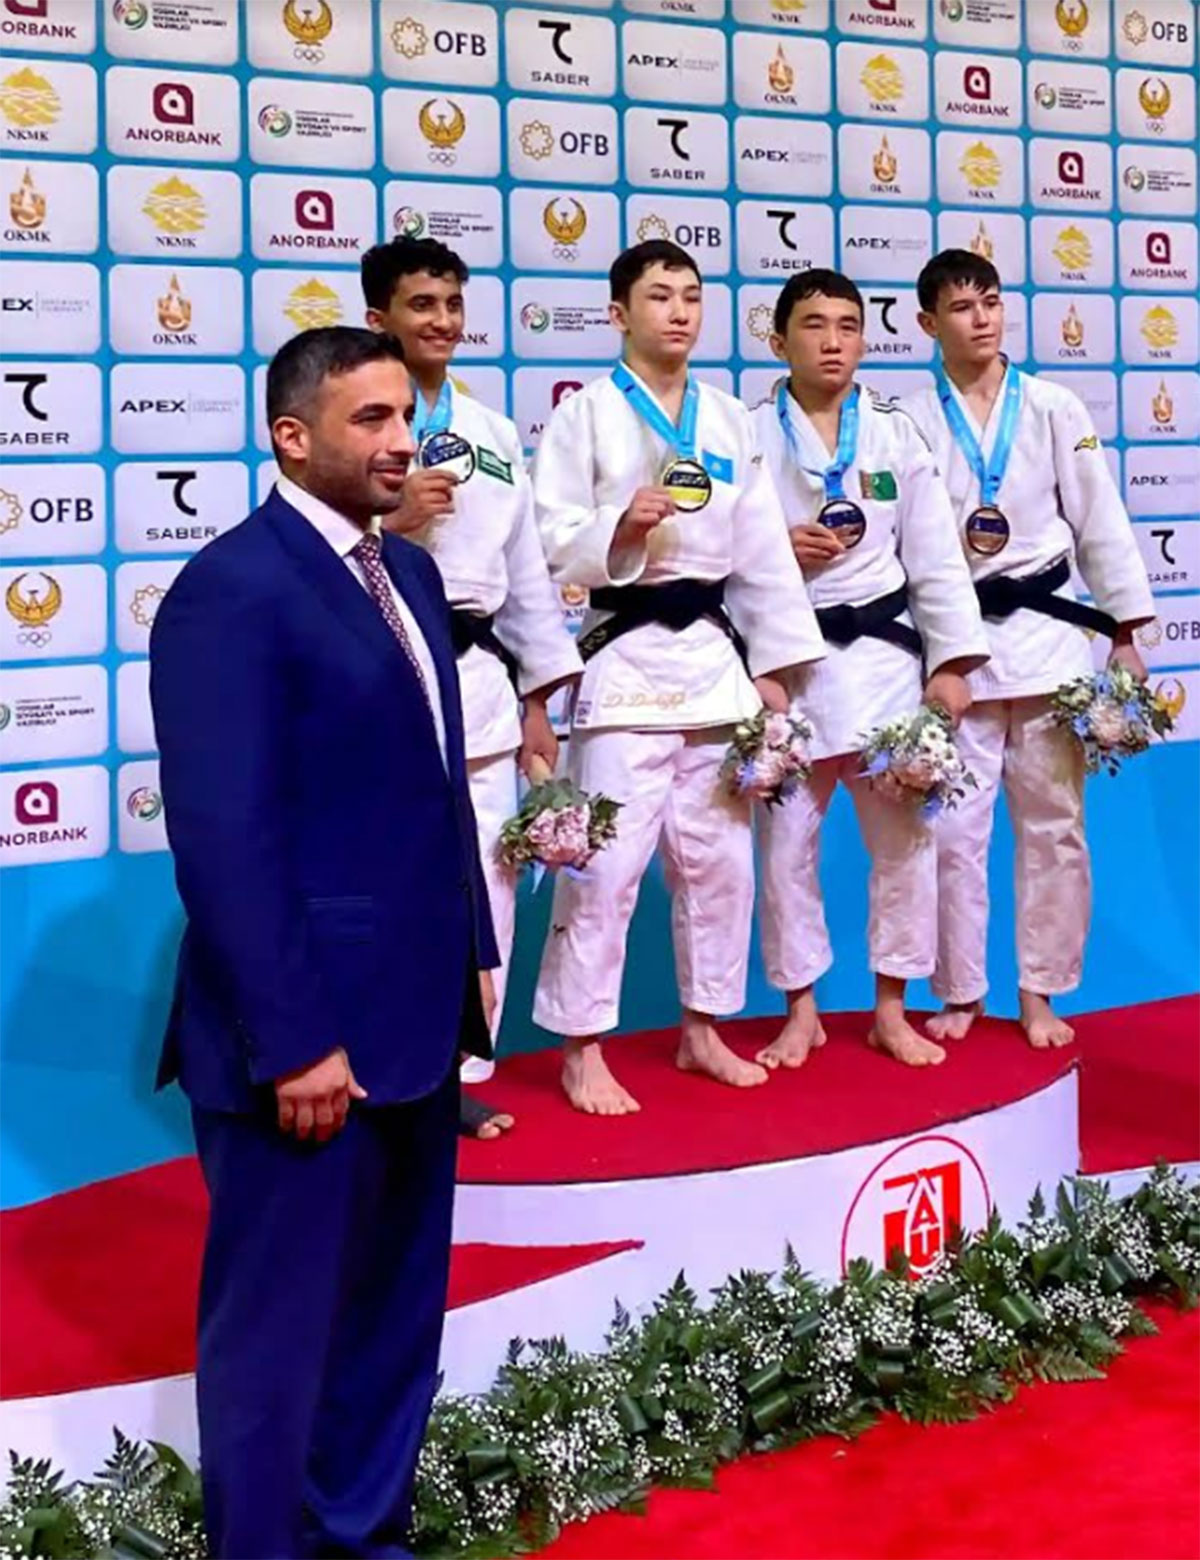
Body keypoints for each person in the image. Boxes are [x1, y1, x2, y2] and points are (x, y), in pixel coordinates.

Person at [150, 327, 499, 1560]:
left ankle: (363, 1538)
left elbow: (437, 793)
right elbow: (225, 838)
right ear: (292, 437)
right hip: (301, 1048)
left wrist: (470, 969)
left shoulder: (409, 578)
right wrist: (295, 1041)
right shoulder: (231, 591)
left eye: (408, 415)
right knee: (278, 1343)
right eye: (372, 420)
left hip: (416, 1022)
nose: (404, 442)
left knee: (392, 1323)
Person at [530, 239, 826, 1116]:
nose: (680, 311)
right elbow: (547, 537)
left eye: (691, 296)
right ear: (619, 314)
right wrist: (619, 528)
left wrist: (774, 668)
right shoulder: (584, 415)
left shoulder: (729, 420)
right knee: (604, 868)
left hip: (712, 664)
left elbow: (763, 551)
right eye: (660, 296)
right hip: (625, 659)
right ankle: (582, 1048)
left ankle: (703, 1029)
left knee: (720, 865)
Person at [903, 250, 1155, 1048]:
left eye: (991, 302)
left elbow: (1100, 519)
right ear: (927, 323)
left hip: (1049, 642)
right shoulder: (910, 419)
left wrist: (1124, 632)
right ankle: (962, 992)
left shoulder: (1053, 407)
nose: (981, 318)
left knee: (1054, 828)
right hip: (959, 647)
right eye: (962, 307)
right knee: (952, 832)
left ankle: (1041, 992)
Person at [362, 235, 582, 1139]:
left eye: (452, 304)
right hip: (379, 674)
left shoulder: (490, 432)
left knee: (489, 885)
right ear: (378, 317)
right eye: (422, 304)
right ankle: (382, 1067)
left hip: (482, 679)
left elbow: (524, 572)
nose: (443, 320)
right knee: (383, 881)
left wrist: (538, 700)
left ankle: (459, 1074)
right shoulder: (349, 420)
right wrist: (392, 524)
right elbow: (304, 551)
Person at [753, 270, 990, 1069]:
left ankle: (892, 1007)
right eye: (814, 325)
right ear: (777, 340)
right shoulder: (745, 436)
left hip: (887, 664)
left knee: (904, 844)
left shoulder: (894, 435)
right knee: (785, 848)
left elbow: (936, 558)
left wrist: (951, 665)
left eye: (848, 326)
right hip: (793, 670)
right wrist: (775, 548)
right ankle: (801, 1010)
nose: (833, 342)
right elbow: (717, 554)